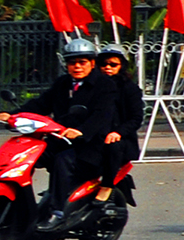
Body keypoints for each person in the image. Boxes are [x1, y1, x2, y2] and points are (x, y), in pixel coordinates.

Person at [18, 38, 113, 213]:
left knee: (62, 161)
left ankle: (57, 211)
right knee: (25, 157)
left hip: (91, 145)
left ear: (92, 63)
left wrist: (81, 132)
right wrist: (14, 114)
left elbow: (101, 115)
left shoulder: (104, 85)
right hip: (60, 139)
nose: (77, 66)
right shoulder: (63, 83)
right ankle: (21, 206)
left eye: (82, 62)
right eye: (72, 62)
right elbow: (41, 103)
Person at [92, 45, 145, 177]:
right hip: (94, 135)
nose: (107, 68)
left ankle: (107, 187)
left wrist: (118, 132)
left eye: (113, 64)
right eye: (103, 64)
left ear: (122, 66)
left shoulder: (129, 88)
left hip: (119, 138)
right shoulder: (92, 86)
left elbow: (136, 118)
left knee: (112, 149)